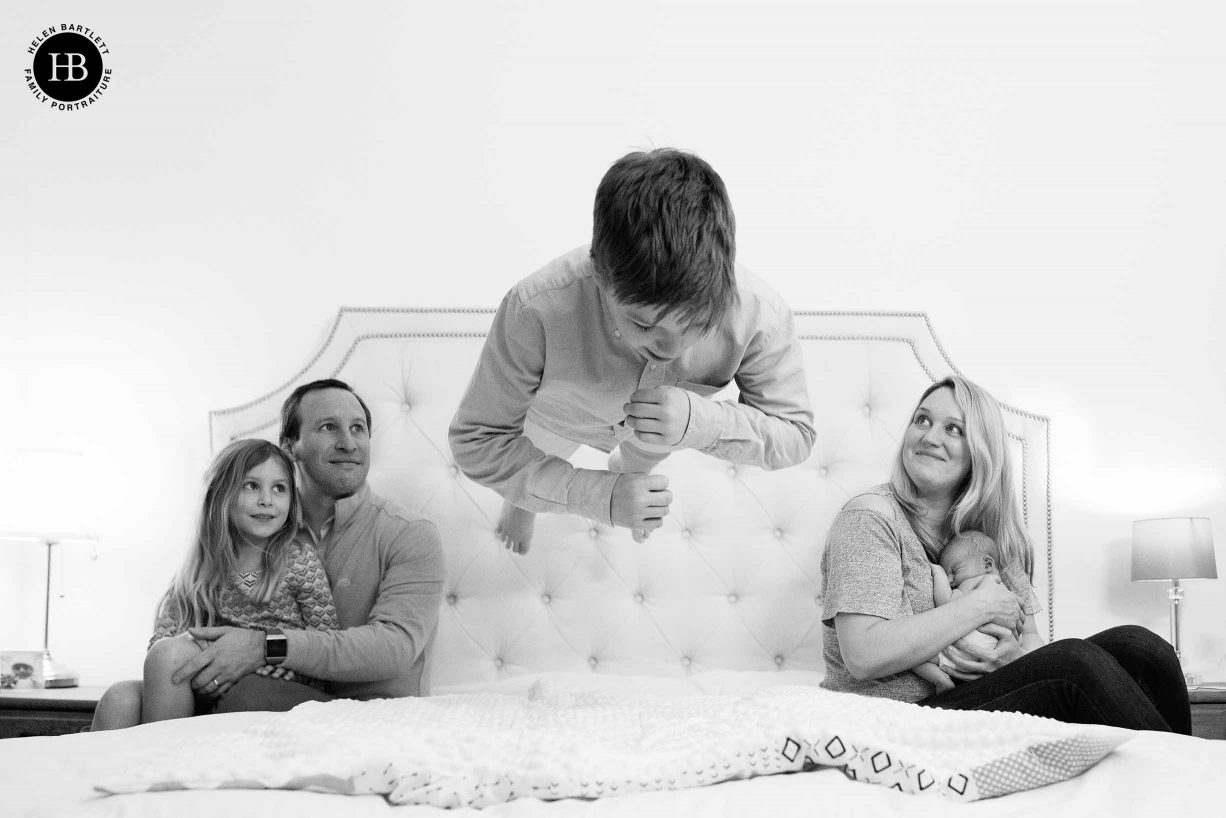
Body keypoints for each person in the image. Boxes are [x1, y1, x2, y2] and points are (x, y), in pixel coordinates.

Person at [449, 148, 816, 554]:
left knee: (644, 458)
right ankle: (525, 504)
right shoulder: (534, 307)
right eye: (643, 324)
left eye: (696, 322)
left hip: (664, 432)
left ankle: (629, 473)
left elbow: (796, 435)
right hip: (558, 418)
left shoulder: (762, 315)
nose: (670, 348)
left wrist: (700, 421)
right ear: (598, 275)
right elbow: (476, 439)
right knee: (542, 456)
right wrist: (600, 497)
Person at [820, 375, 1191, 733]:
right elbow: (863, 655)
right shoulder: (870, 517)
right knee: (1073, 664)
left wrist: (1014, 660)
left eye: (954, 428)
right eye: (922, 419)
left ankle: (1174, 778)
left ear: (981, 451)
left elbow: (1030, 639)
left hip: (977, 693)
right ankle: (1185, 782)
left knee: (1143, 649)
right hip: (901, 713)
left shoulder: (989, 533)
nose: (930, 436)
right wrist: (979, 607)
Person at [93, 379, 446, 729]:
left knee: (247, 698)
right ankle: (120, 782)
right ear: (291, 445)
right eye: (329, 427)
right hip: (226, 685)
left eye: (358, 428)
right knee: (120, 699)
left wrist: (263, 647)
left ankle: (167, 771)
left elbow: (394, 649)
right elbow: (185, 610)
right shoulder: (257, 527)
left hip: (358, 712)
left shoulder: (409, 534)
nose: (349, 443)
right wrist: (198, 655)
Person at [127, 439, 340, 724]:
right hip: (205, 683)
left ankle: (165, 764)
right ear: (220, 494)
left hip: (283, 685)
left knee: (170, 657)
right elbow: (160, 644)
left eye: (279, 488)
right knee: (120, 699)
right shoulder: (199, 570)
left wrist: (243, 668)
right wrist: (207, 660)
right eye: (251, 485)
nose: (267, 499)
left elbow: (324, 647)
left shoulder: (299, 562)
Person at [910, 530, 1002, 692]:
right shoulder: (1005, 591)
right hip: (992, 659)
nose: (951, 580)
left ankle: (940, 679)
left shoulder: (976, 581)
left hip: (959, 654)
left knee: (911, 654)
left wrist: (939, 573)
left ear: (987, 564)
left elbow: (946, 602)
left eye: (955, 570)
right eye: (947, 575)